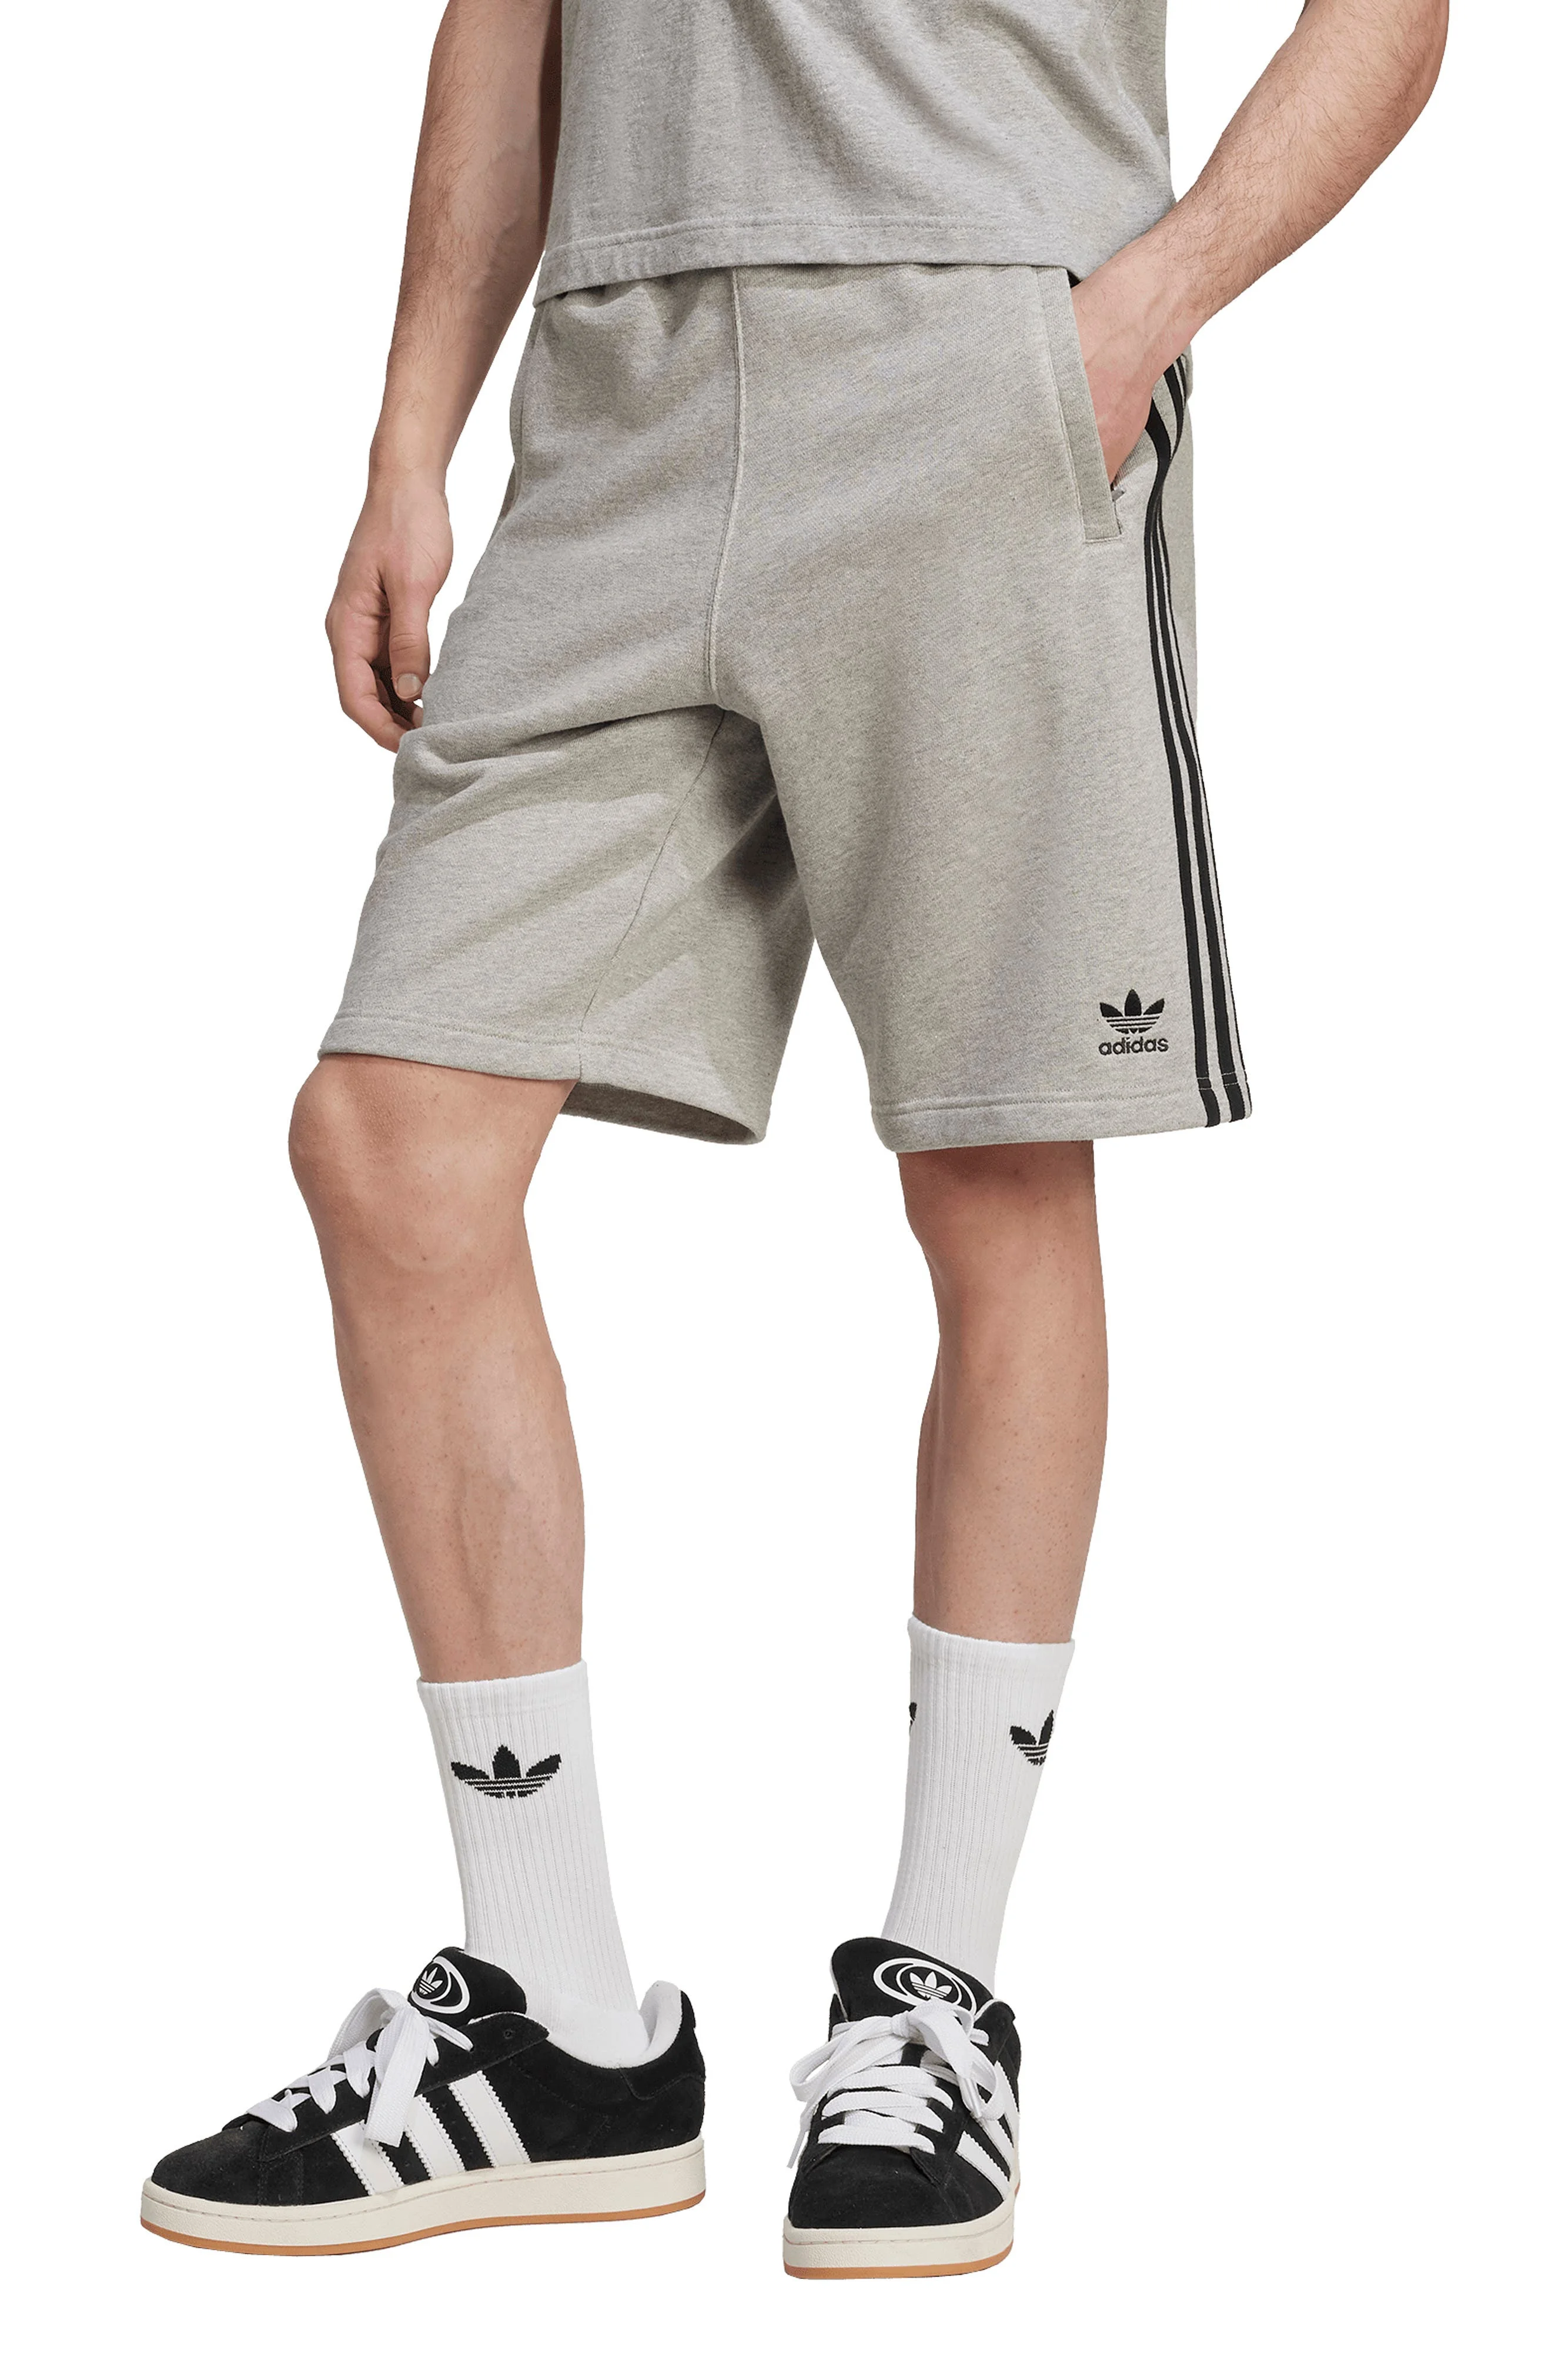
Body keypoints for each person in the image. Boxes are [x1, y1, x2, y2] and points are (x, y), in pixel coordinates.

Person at [141, 0, 1446, 2276]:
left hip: (984, 361)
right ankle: (560, 2018)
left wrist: (1143, 302)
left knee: (996, 1169)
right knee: (390, 1140)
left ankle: (935, 1999)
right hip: (616, 402)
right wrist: (407, 441)